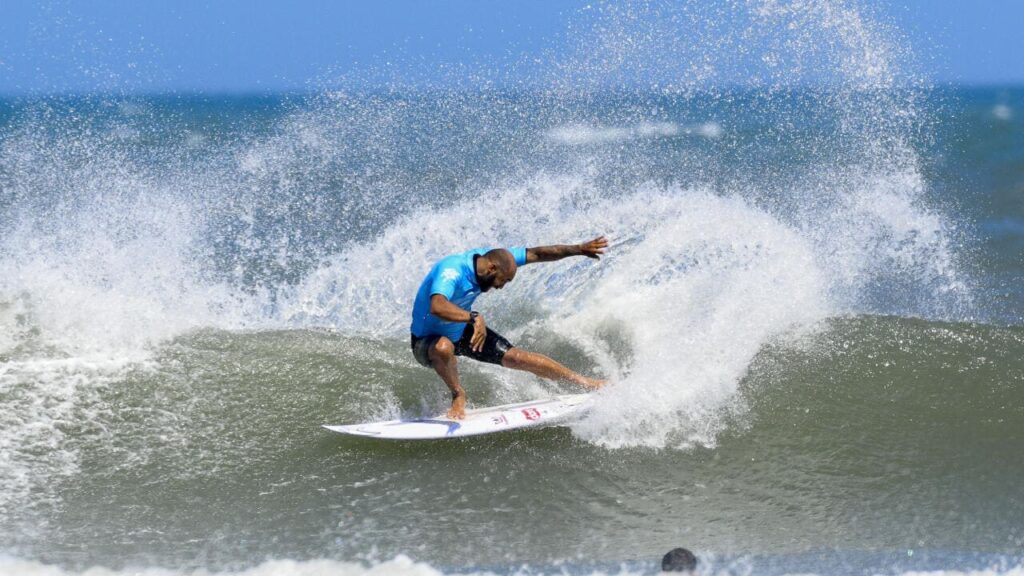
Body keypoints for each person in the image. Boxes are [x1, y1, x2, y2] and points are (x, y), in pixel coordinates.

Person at [410, 236, 609, 419]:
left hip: (460, 329)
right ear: (492, 269)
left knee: (516, 357)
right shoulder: (452, 271)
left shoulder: (498, 259)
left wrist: (578, 249)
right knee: (443, 347)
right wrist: (473, 317)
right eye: (503, 280)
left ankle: (586, 383)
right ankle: (458, 394)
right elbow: (437, 306)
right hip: (427, 341)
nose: (501, 286)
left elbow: (537, 253)